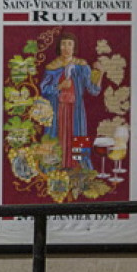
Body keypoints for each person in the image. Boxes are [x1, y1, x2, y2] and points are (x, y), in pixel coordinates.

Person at [40, 34, 102, 171]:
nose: (66, 47)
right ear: (59, 47)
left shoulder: (82, 66)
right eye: (63, 44)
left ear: (74, 47)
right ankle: (53, 169)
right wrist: (60, 87)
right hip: (57, 110)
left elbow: (93, 90)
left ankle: (80, 169)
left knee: (78, 136)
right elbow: (44, 90)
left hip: (76, 111)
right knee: (54, 138)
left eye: (69, 44)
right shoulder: (52, 67)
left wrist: (100, 73)